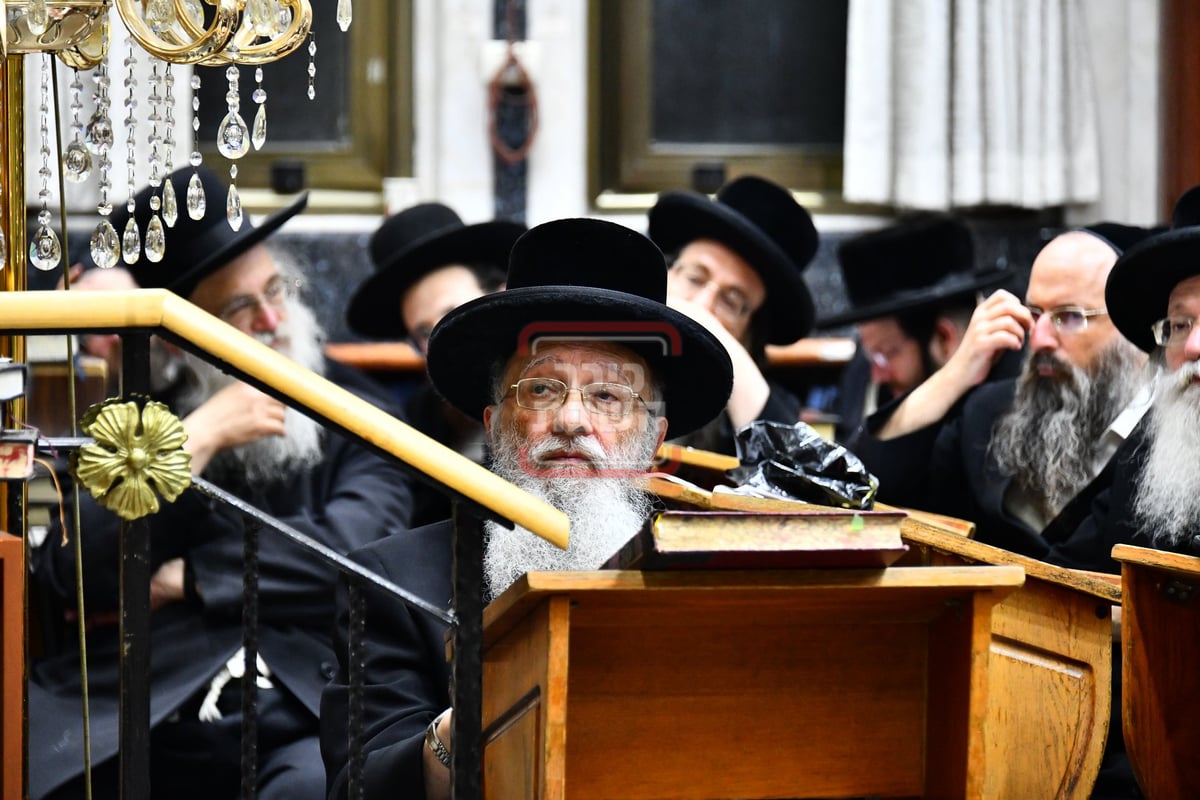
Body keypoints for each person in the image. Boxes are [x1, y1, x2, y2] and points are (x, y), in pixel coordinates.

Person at [28, 166, 415, 800]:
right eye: (239, 307)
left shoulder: (359, 409)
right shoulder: (146, 414)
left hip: (298, 705)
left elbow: (364, 547)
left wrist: (197, 576)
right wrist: (192, 441)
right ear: (181, 341)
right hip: (142, 701)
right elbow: (72, 566)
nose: (271, 319)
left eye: (276, 290)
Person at [319, 218, 734, 800]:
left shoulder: (707, 582)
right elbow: (358, 787)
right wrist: (467, 719)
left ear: (653, 438)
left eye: (608, 396)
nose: (570, 421)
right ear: (495, 425)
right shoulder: (390, 583)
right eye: (541, 389)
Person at [849, 224, 1157, 561]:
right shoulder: (988, 413)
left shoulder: (1165, 445)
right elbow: (872, 495)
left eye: (1069, 317)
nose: (1039, 339)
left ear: (1132, 326)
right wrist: (956, 372)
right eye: (1034, 314)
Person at [345, 202, 525, 524]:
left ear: (500, 296)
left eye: (452, 314)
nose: (442, 340)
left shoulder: (558, 389)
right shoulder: (411, 427)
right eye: (425, 332)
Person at [647, 175, 817, 455]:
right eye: (694, 278)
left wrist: (720, 344)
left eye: (731, 301)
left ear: (748, 331)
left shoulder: (759, 404)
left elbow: (796, 480)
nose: (702, 305)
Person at [817, 212, 1015, 440]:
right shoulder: (864, 371)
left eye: (888, 353)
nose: (877, 374)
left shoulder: (1008, 395)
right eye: (871, 354)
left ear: (944, 338)